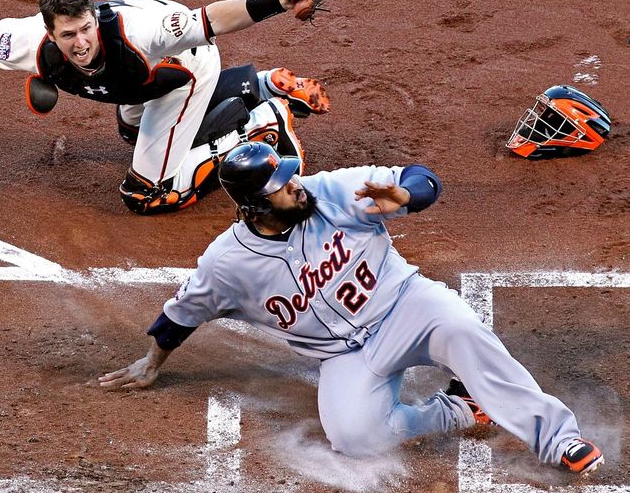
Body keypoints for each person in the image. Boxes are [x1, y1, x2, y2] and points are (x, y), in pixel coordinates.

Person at [99, 141, 605, 476]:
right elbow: (182, 314)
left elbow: (422, 179)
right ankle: (460, 409)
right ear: (254, 206)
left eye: (292, 177)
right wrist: (151, 363)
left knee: (462, 328)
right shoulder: (228, 264)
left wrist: (407, 192)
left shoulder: (332, 191)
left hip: (408, 306)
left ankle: (558, 438)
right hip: (346, 356)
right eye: (283, 187)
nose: (298, 186)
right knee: (356, 438)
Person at [0, 0, 330, 214]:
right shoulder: (34, 42)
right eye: (68, 35)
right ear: (50, 32)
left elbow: (212, 17)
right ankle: (259, 85)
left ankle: (266, 120)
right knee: (131, 130)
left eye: (86, 28)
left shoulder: (141, 34)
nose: (81, 41)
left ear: (93, 17)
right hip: (139, 84)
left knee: (147, 194)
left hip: (183, 68)